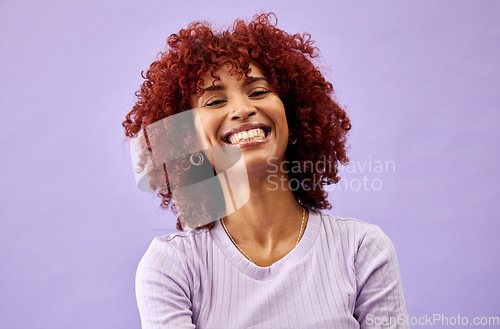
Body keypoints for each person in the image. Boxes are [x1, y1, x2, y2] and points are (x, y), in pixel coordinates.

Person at [123, 12, 409, 329]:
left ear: (295, 115)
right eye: (215, 101)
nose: (243, 109)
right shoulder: (172, 267)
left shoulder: (361, 249)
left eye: (258, 92)